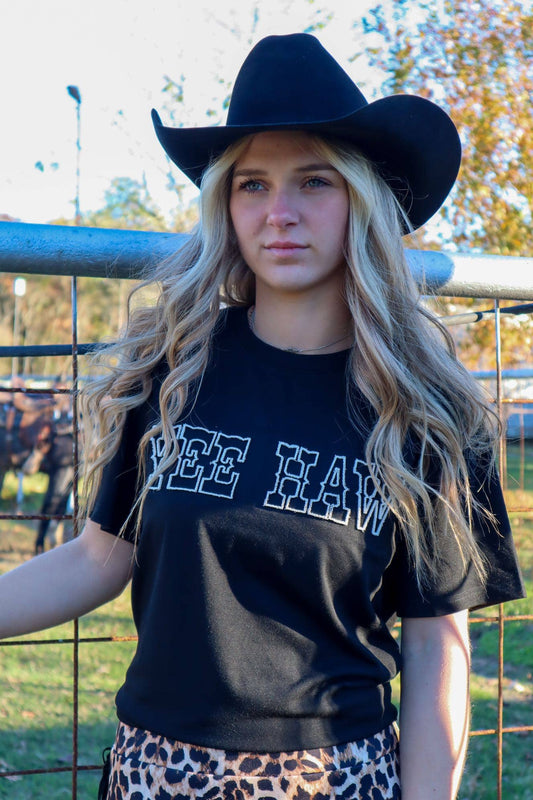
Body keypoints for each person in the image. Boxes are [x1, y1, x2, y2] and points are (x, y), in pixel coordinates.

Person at [0, 33, 525, 800]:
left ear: (360, 198)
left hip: (331, 780)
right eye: (251, 185)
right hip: (154, 775)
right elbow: (95, 562)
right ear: (226, 204)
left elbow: (436, 651)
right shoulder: (174, 370)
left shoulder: (427, 413)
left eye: (312, 181)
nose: (278, 213)